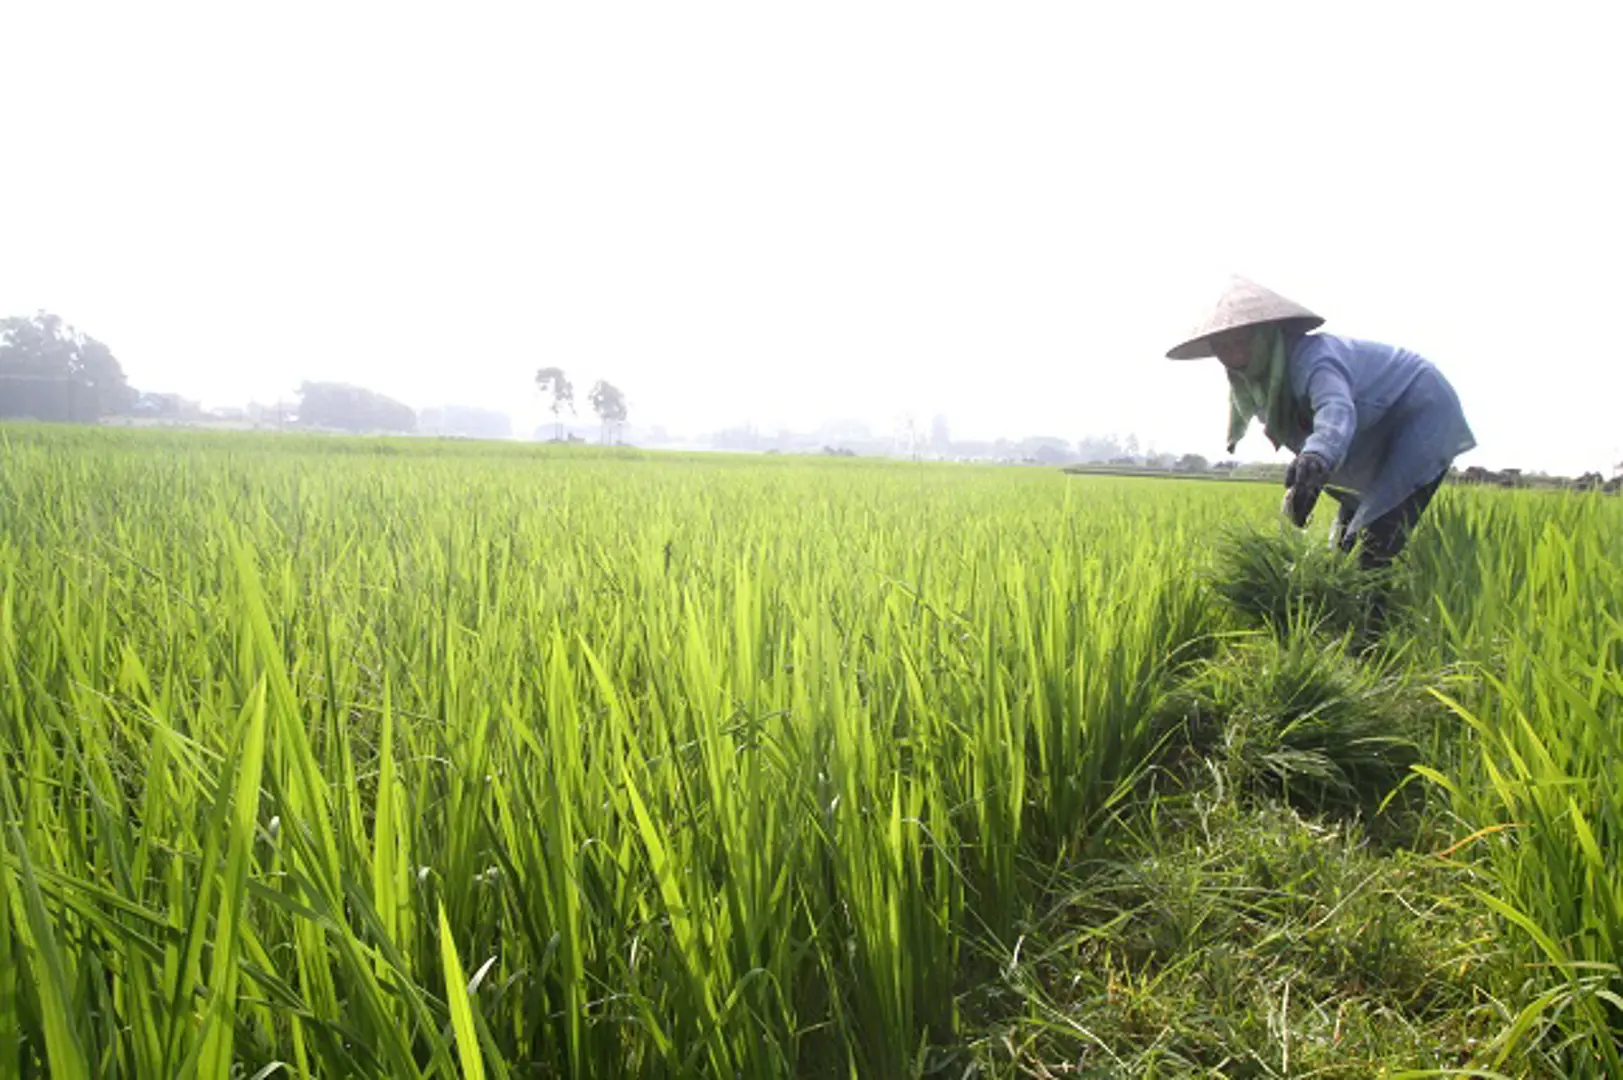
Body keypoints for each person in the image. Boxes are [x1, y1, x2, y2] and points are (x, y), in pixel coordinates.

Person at [1165, 276, 1476, 569]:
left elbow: (1336, 410)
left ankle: (1376, 623)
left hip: (1420, 409)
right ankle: (1342, 620)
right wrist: (1304, 488)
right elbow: (1307, 437)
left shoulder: (1315, 359)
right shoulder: (1260, 384)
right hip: (1371, 434)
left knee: (1372, 542)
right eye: (1223, 347)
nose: (1233, 355)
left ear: (1265, 336)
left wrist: (1315, 458)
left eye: (1240, 341)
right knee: (1341, 551)